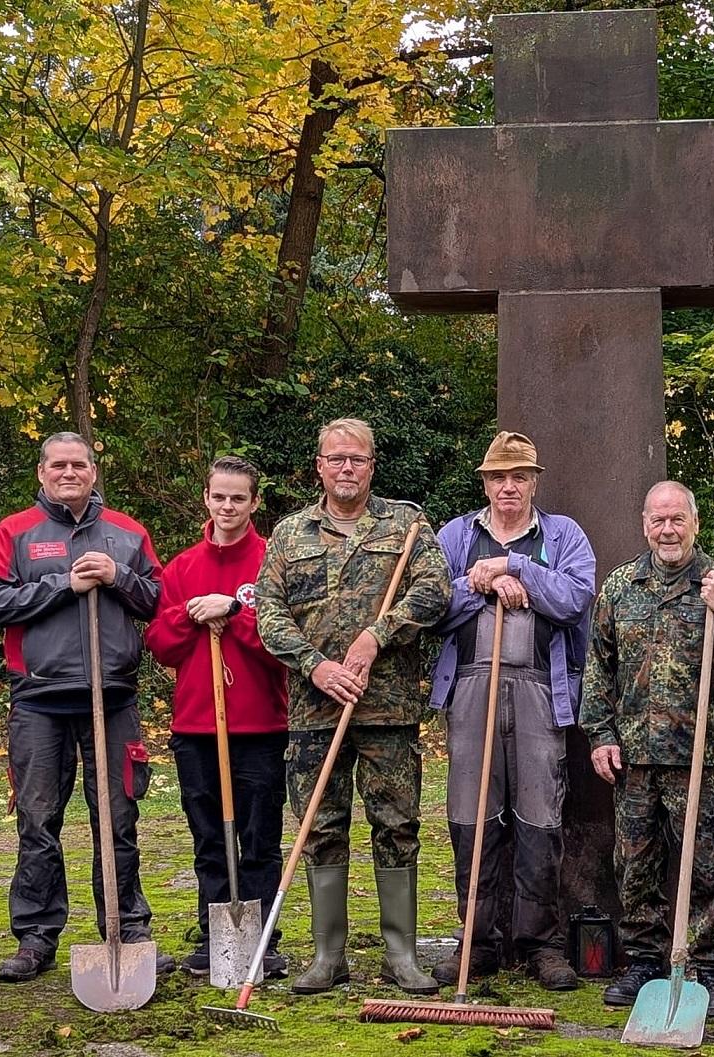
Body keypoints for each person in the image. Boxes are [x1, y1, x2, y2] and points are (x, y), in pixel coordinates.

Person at [255, 417, 450, 995]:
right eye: (336, 458)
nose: (346, 468)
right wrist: (317, 664)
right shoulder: (291, 535)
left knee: (397, 823)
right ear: (319, 466)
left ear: (371, 465)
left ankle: (401, 956)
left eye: (357, 459)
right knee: (320, 824)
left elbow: (436, 590)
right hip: (316, 709)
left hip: (386, 708)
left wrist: (378, 634)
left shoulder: (407, 523)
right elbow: (268, 613)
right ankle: (327, 956)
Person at [0, 432, 169, 982]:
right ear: (42, 473)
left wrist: (116, 577)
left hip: (112, 695)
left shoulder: (127, 533)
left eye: (78, 464)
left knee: (118, 815)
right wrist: (64, 583)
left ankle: (127, 928)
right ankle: (36, 936)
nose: (68, 472)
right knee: (39, 819)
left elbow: (158, 599)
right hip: (40, 697)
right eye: (58, 465)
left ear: (92, 470)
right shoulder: (15, 532)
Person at [581, 481, 714, 1018]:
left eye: (677, 520)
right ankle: (644, 959)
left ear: (694, 523)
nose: (668, 530)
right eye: (658, 520)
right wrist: (600, 735)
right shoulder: (620, 586)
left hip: (698, 756)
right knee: (635, 864)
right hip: (635, 757)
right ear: (645, 524)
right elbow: (599, 667)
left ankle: (711, 965)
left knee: (708, 864)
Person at [429, 431, 595, 991]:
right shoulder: (455, 535)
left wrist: (514, 567)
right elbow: (429, 605)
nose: (508, 487)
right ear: (485, 482)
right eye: (498, 477)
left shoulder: (563, 535)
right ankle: (478, 940)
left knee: (539, 815)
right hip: (472, 686)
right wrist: (480, 583)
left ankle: (539, 942)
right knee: (470, 814)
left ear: (533, 482)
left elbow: (575, 600)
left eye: (518, 477)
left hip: (538, 688)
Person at [144, 455, 290, 979]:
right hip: (196, 726)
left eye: (238, 498)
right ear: (206, 498)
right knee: (209, 836)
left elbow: (283, 646)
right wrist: (189, 615)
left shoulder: (273, 560)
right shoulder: (182, 567)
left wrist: (235, 611)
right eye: (219, 496)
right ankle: (216, 936)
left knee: (259, 836)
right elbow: (159, 644)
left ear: (254, 502)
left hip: (259, 726)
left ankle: (262, 940)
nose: (227, 506)